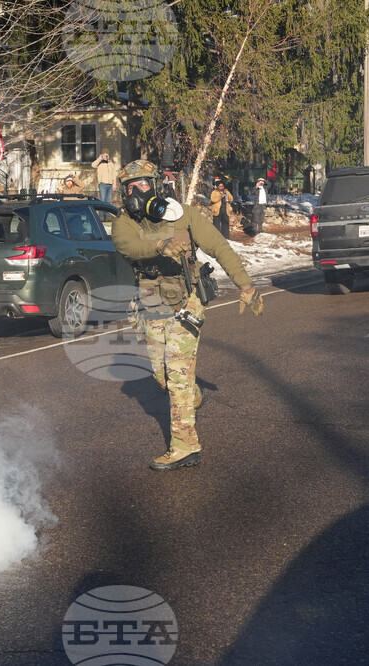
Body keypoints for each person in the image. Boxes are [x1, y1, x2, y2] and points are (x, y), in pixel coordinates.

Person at [111, 160, 264, 471]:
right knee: (162, 376)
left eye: (142, 184)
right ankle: (194, 395)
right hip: (151, 305)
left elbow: (220, 248)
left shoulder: (185, 215)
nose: (136, 193)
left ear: (156, 185)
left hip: (186, 303)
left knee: (178, 377)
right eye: (130, 188)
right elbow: (130, 248)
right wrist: (161, 245)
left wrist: (246, 286)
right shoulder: (124, 223)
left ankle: (185, 447)